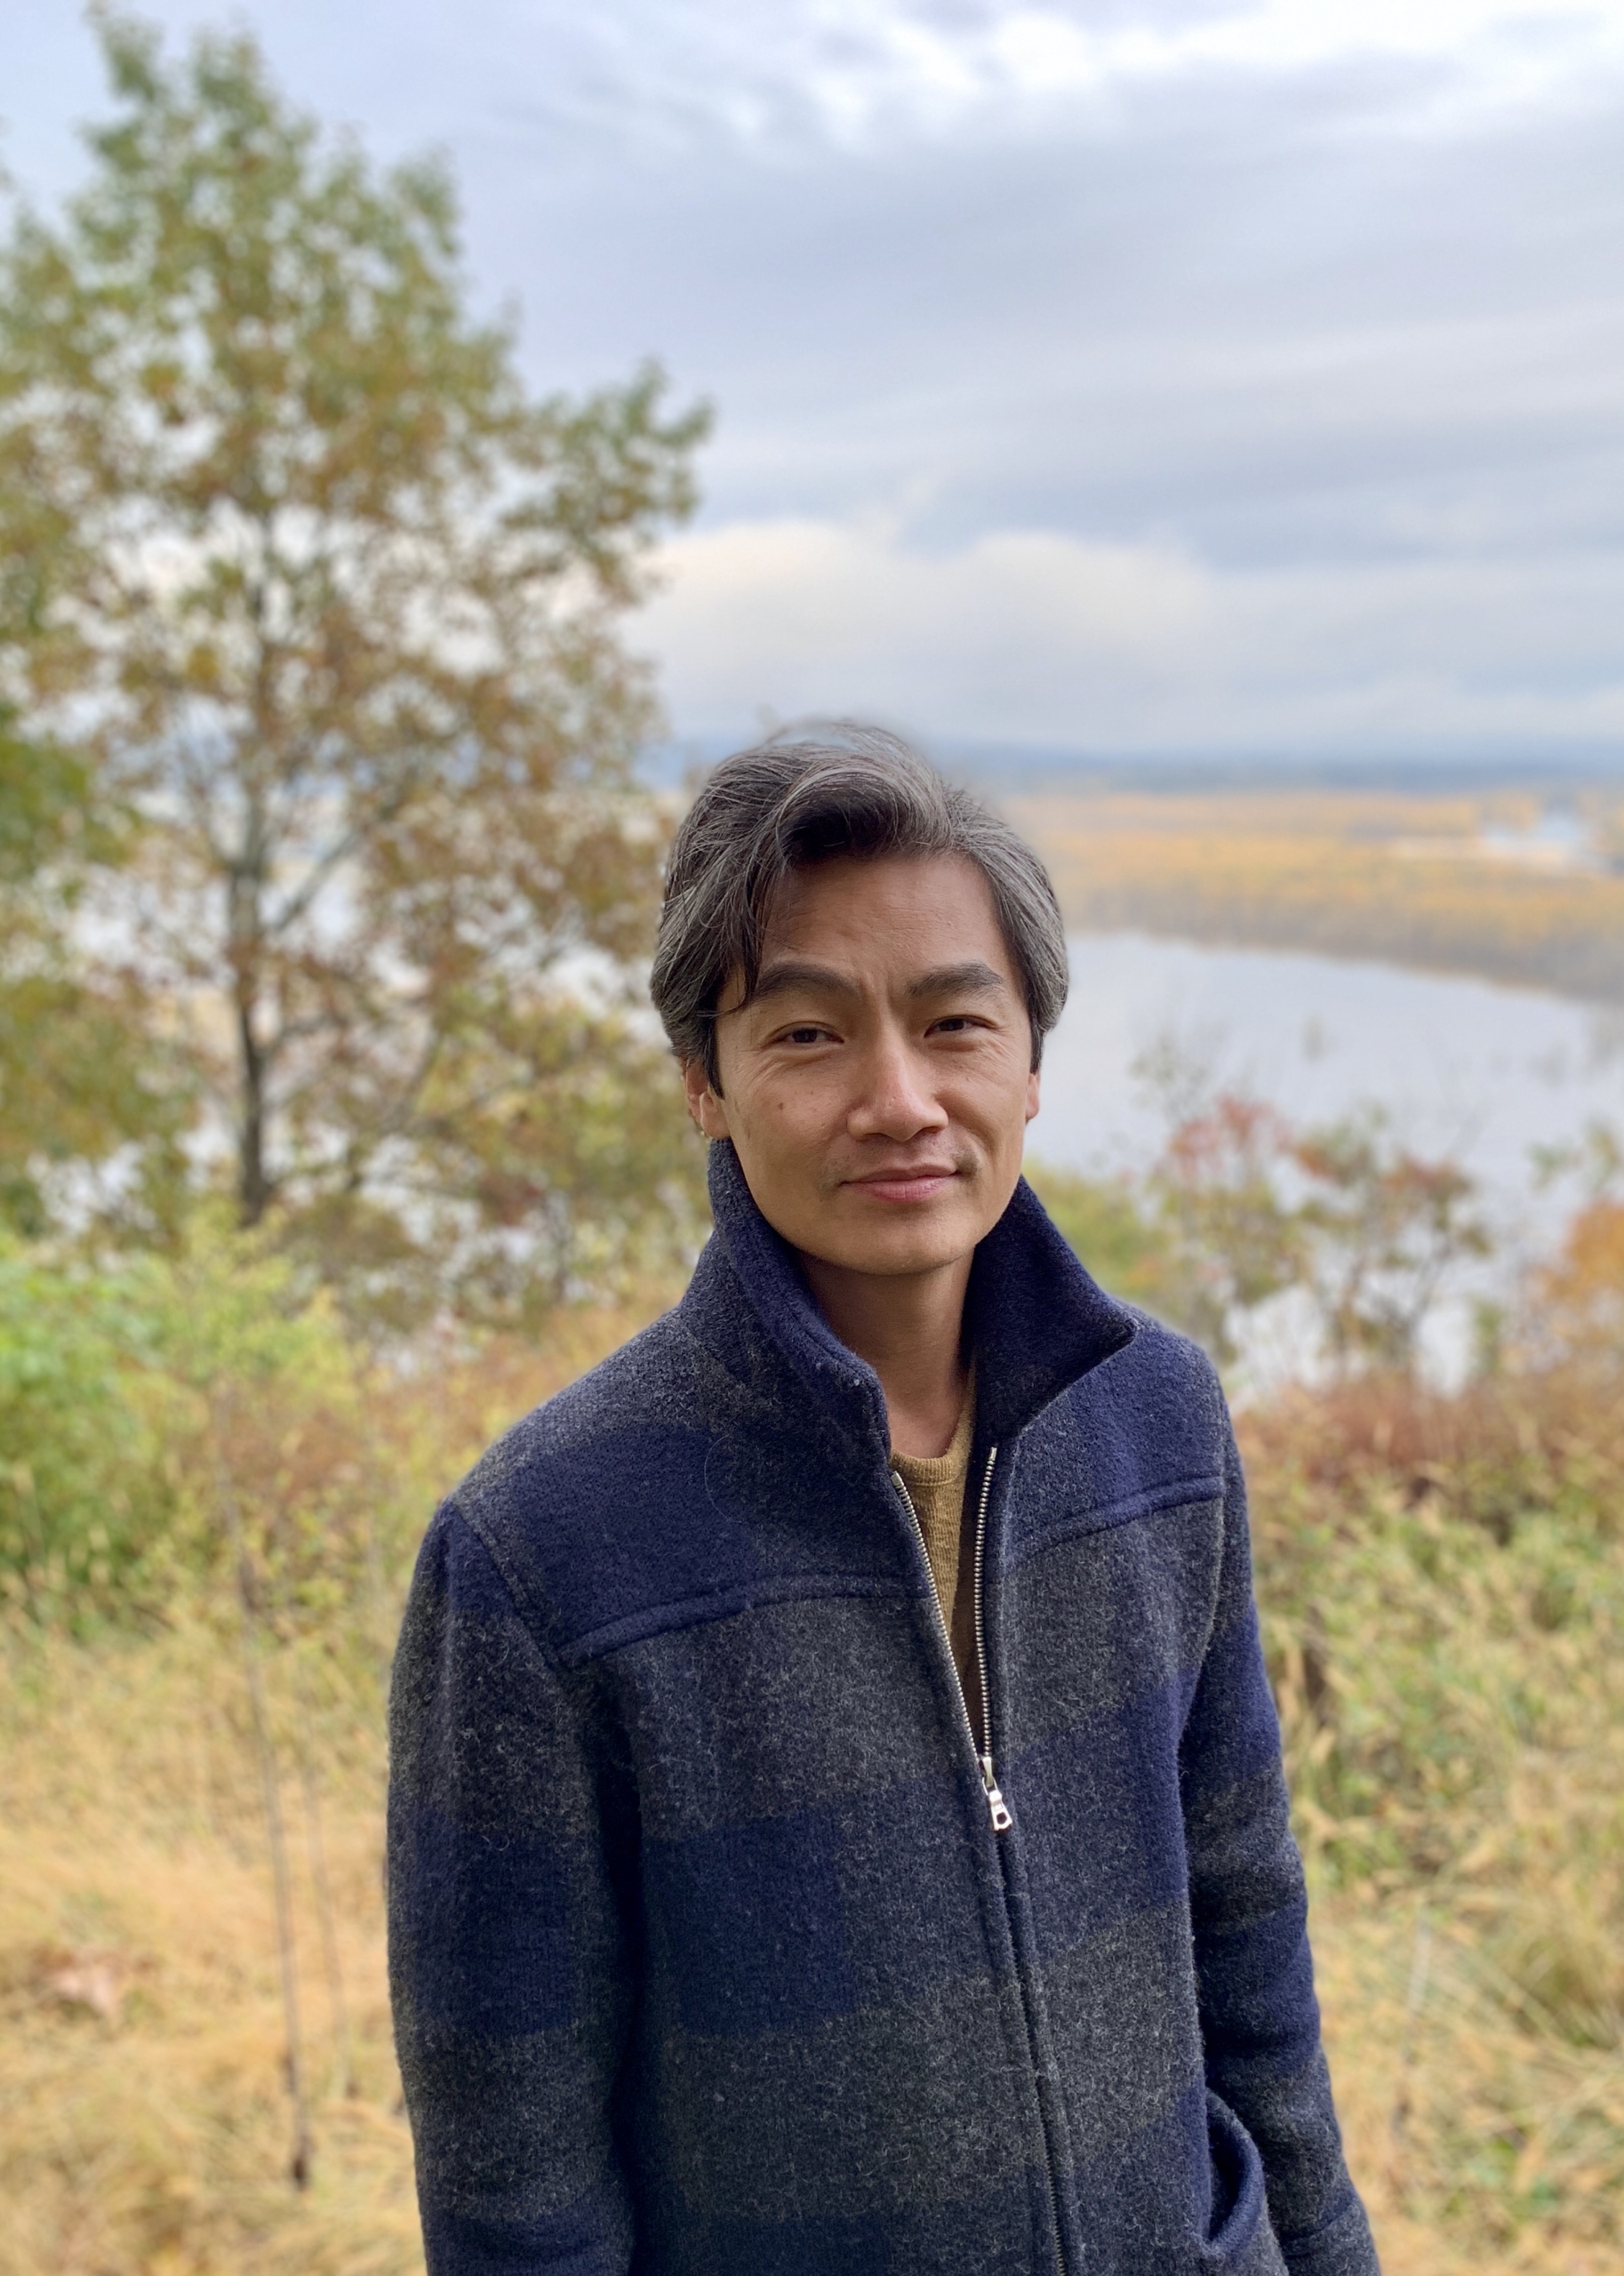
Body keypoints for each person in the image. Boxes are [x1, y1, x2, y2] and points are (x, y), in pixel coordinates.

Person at [388, 726, 1378, 2276]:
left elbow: (1247, 1936)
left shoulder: (1159, 1423)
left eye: (955, 1022)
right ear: (704, 1083)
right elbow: (515, 2171)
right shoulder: (541, 1553)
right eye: (809, 1033)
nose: (901, 1098)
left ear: (1031, 1064)